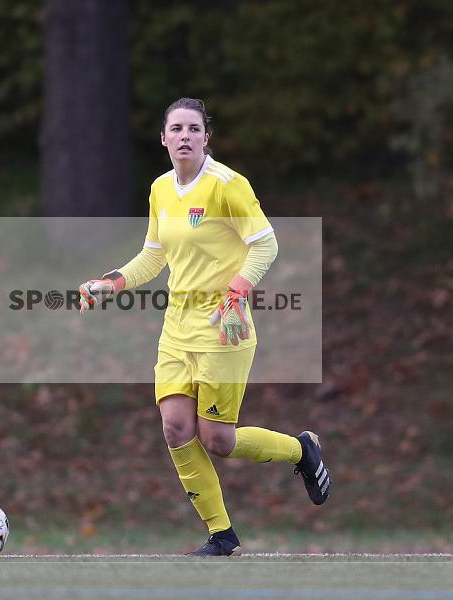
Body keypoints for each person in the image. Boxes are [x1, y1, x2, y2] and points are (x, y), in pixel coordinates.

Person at [77, 98, 330, 556]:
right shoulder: (159, 189)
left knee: (218, 440)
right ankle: (222, 535)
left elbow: (265, 245)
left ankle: (301, 450)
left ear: (206, 137)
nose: (186, 136)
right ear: (164, 138)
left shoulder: (227, 186)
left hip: (223, 329)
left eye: (194, 128)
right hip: (177, 328)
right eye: (177, 129)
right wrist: (109, 282)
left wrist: (235, 294)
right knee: (175, 427)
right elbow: (154, 256)